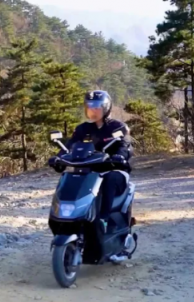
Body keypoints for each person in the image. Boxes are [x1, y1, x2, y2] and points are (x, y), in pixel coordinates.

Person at [49, 90, 132, 233]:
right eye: (89, 106)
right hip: (87, 170)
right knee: (69, 178)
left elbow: (124, 146)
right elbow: (70, 145)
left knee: (109, 179)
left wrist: (120, 156)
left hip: (113, 168)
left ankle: (104, 219)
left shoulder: (117, 128)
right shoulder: (82, 129)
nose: (92, 110)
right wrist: (59, 157)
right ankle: (62, 218)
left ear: (106, 108)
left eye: (96, 106)